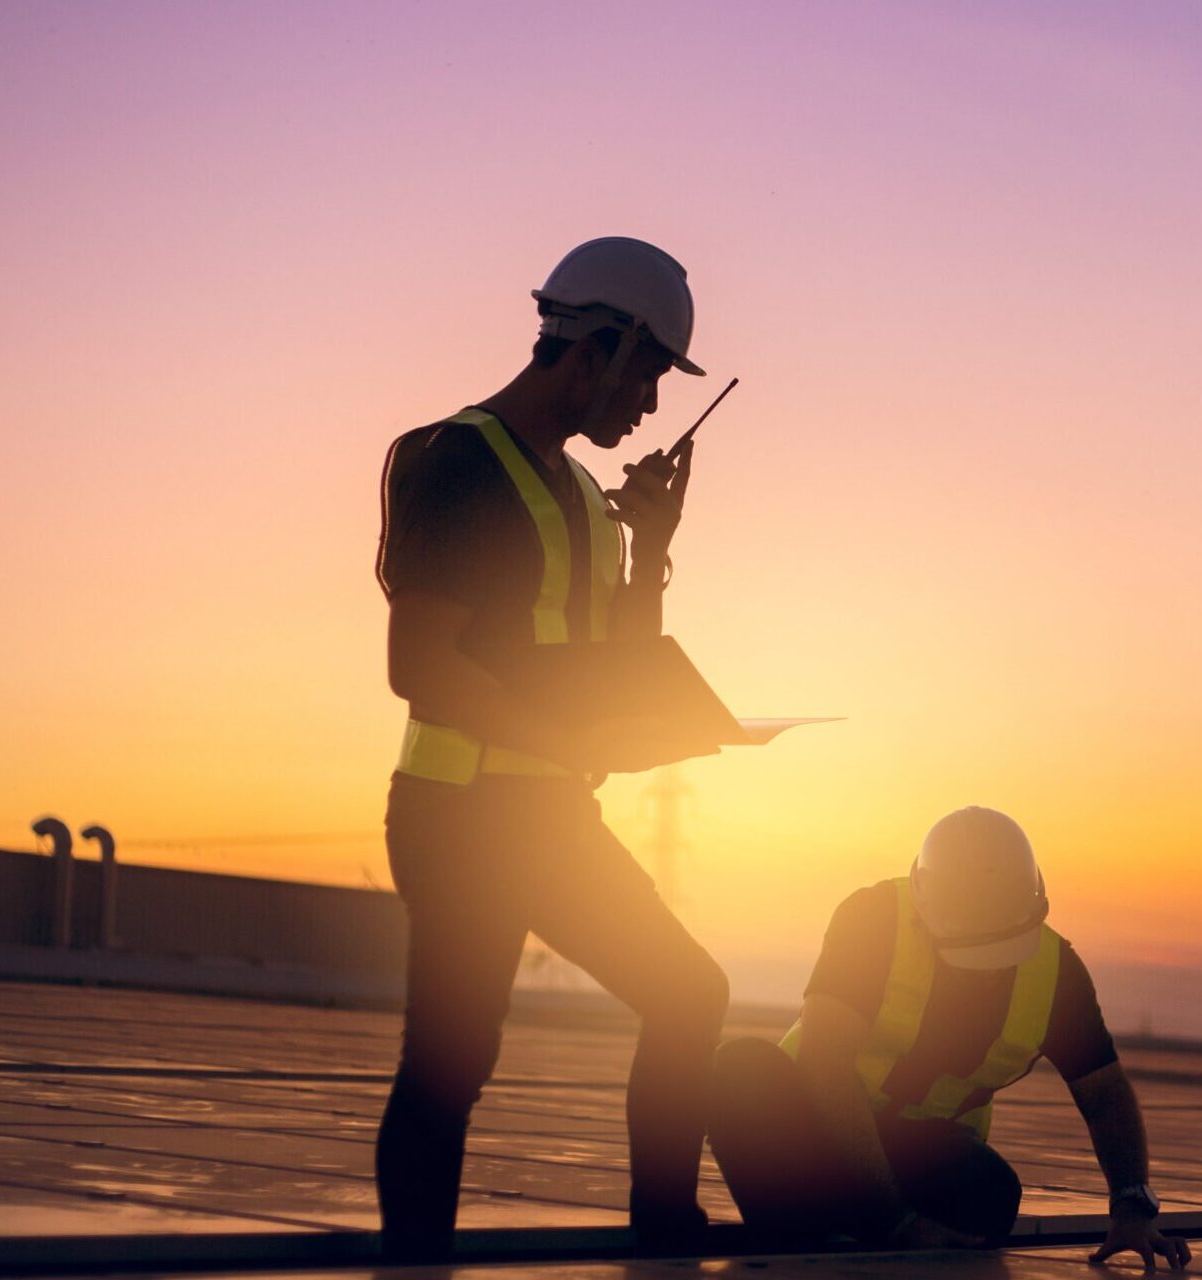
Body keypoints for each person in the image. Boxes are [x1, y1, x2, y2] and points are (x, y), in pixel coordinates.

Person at [373, 236, 729, 1260]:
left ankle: (661, 1231)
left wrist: (652, 546)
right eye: (650, 373)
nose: (651, 404)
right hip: (461, 816)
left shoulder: (583, 498)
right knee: (450, 1062)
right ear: (600, 348)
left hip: (550, 815)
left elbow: (616, 659)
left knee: (688, 992)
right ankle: (415, 1263)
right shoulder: (451, 459)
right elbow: (421, 667)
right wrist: (570, 739)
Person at [709, 807, 1193, 1270]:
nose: (989, 972)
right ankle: (799, 1230)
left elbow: (1104, 1094)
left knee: (991, 1196)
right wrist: (893, 1222)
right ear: (925, 913)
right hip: (811, 1122)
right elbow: (824, 1065)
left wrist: (1133, 1206)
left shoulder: (1056, 974)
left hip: (918, 1146)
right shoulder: (874, 920)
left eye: (1005, 951)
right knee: (740, 1069)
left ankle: (826, 1214)